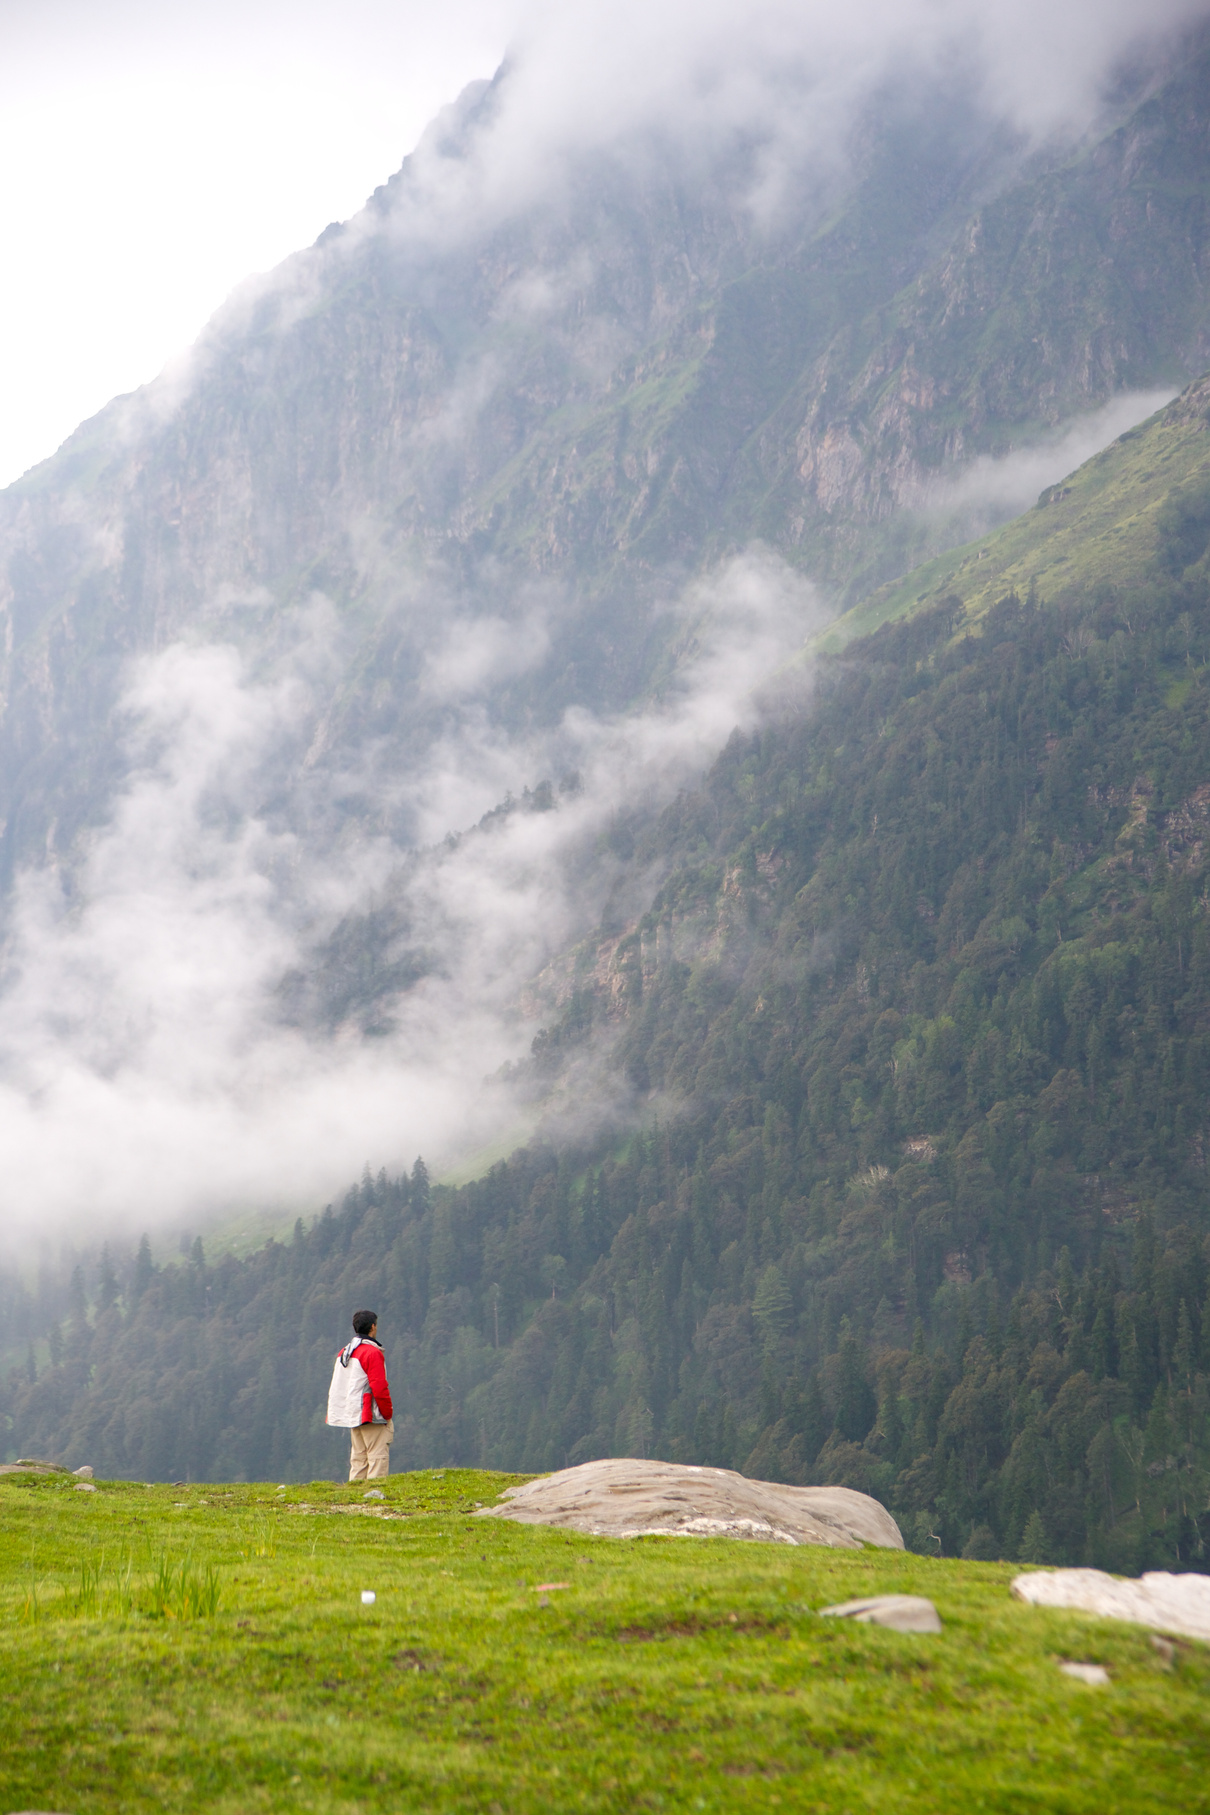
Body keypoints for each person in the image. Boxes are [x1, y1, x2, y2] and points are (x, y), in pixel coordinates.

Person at [326, 1309, 395, 1481]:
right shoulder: (372, 1353)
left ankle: (354, 1499)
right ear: (373, 1326)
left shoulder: (345, 1352)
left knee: (359, 1459)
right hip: (370, 1415)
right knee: (377, 1457)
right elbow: (379, 1387)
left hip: (353, 1414)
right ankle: (374, 1496)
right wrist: (387, 1413)